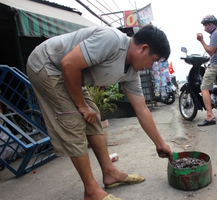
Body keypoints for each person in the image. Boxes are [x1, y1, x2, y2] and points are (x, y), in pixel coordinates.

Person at [26, 25, 172, 200]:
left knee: (92, 117)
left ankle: (110, 173)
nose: (151, 66)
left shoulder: (132, 72)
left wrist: (160, 143)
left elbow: (141, 108)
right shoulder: (112, 40)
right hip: (48, 65)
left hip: (70, 73)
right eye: (153, 60)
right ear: (144, 48)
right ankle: (91, 191)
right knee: (73, 120)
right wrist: (81, 106)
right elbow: (69, 64)